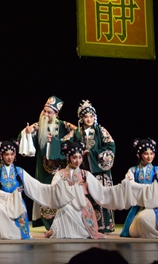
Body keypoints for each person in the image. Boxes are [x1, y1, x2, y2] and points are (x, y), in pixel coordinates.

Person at [18, 95, 75, 228]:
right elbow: (24, 140)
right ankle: (48, 225)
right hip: (43, 169)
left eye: (49, 112)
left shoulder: (64, 126)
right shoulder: (38, 126)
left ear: (56, 114)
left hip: (60, 169)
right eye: (44, 111)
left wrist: (56, 143)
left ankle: (61, 223)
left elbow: (75, 135)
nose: (45, 114)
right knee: (44, 193)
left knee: (59, 193)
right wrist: (27, 133)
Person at [63, 100, 116, 233]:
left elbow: (110, 146)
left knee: (101, 196)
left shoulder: (100, 130)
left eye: (91, 116)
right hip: (83, 170)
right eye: (86, 116)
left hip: (99, 171)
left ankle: (103, 226)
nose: (88, 119)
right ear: (81, 118)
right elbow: (64, 143)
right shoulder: (76, 132)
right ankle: (86, 226)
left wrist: (92, 154)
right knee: (85, 196)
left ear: (95, 117)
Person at [47, 140, 107, 239]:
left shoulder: (85, 174)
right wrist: (68, 186)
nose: (78, 161)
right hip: (66, 202)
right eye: (74, 157)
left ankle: (75, 231)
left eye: (80, 157)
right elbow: (53, 189)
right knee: (64, 208)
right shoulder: (60, 174)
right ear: (68, 157)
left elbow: (99, 190)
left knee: (65, 209)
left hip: (81, 203)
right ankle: (58, 231)